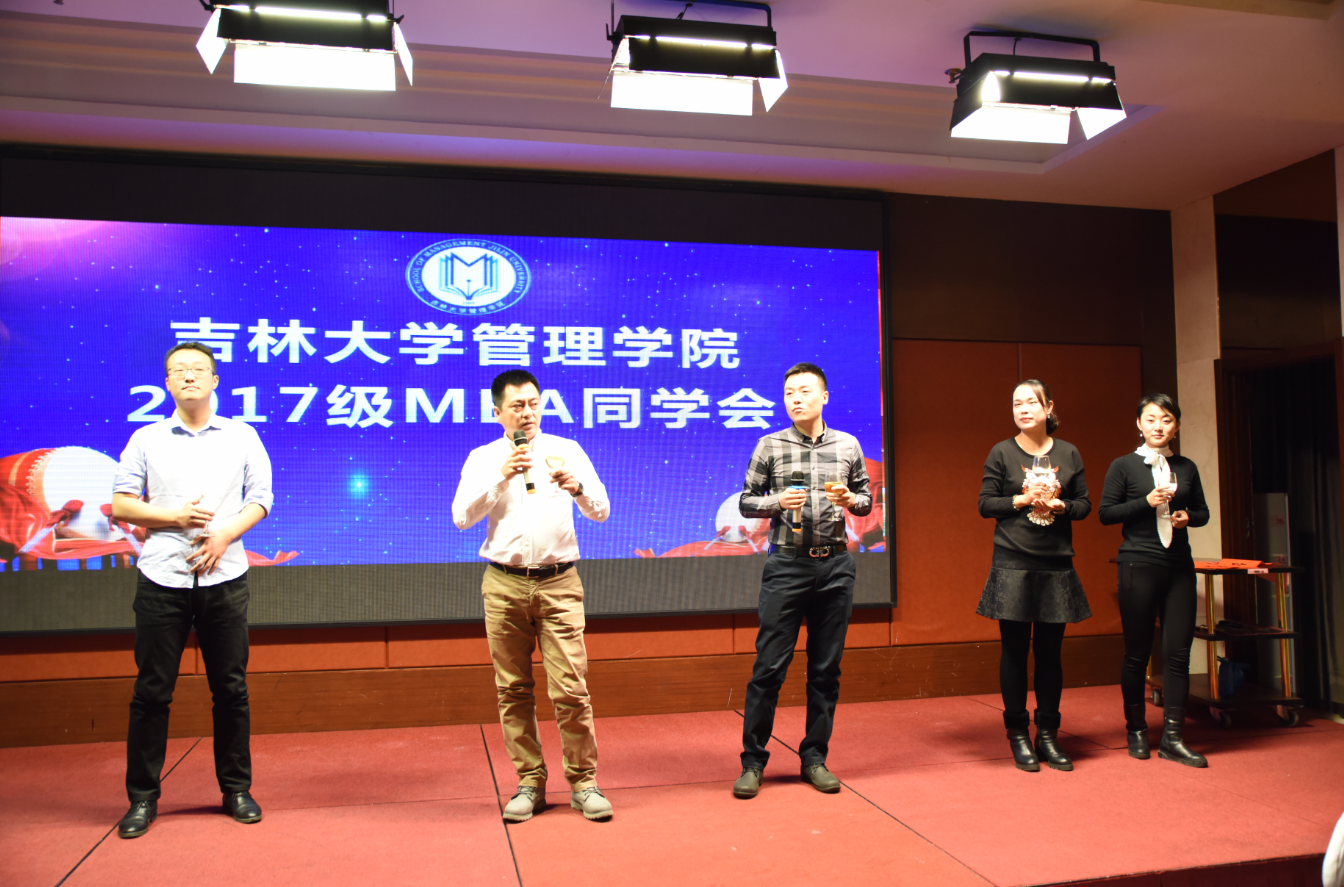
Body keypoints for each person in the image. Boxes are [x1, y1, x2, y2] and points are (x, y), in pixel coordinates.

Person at [110, 341, 273, 839]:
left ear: (215, 380)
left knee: (231, 690)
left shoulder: (242, 436)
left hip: (226, 578)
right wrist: (175, 517)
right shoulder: (146, 438)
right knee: (151, 692)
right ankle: (142, 798)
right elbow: (121, 505)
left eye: (198, 369)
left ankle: (236, 790)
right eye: (177, 370)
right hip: (163, 578)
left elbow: (261, 499)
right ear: (166, 382)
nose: (188, 376)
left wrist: (224, 535)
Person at [451, 369, 613, 822]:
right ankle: (530, 782)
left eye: (534, 403)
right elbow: (461, 517)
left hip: (559, 582)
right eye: (517, 406)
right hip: (504, 584)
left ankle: (584, 782)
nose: (528, 413)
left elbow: (602, 511)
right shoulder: (484, 458)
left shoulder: (567, 450)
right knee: (513, 690)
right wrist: (500, 478)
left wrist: (578, 488)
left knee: (571, 688)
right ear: (497, 412)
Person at [732, 363, 872, 799]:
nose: (796, 398)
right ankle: (753, 762)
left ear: (824, 397)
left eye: (805, 391)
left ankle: (814, 758)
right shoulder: (769, 445)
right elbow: (745, 502)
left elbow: (866, 501)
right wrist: (776, 501)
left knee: (825, 669)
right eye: (790, 392)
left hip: (835, 566)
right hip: (787, 567)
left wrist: (851, 499)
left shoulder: (848, 445)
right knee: (769, 668)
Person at [977, 379, 1092, 772]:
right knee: (1013, 650)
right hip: (1012, 561)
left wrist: (1061, 506)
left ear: (1048, 407)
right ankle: (1017, 734)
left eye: (1030, 402)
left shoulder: (1069, 452)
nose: (1023, 409)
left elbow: (1084, 505)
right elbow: (985, 504)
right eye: (1016, 404)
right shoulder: (1002, 452)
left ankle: (1048, 735)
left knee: (1049, 654)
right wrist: (1022, 499)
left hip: (1056, 563)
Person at [1098, 393, 1210, 767]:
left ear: (1176, 425)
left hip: (1179, 566)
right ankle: (1136, 730)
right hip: (1138, 564)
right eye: (1151, 419)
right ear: (1139, 424)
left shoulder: (1187, 467)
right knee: (1137, 653)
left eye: (1166, 420)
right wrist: (1146, 502)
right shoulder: (1123, 465)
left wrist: (1187, 518)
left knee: (1178, 655)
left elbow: (1203, 512)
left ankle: (1173, 739)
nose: (1158, 426)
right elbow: (1106, 513)